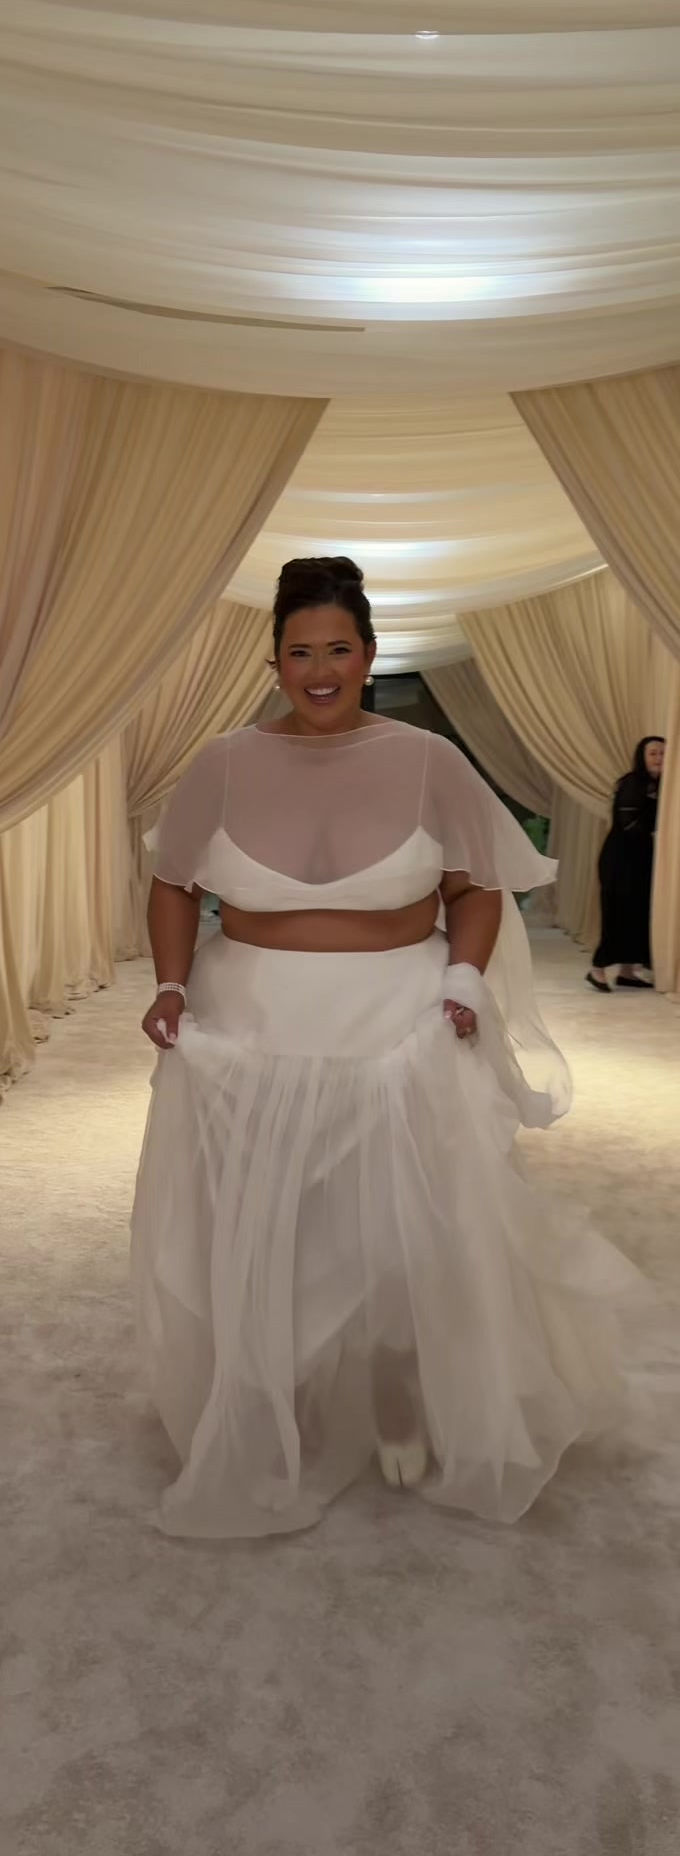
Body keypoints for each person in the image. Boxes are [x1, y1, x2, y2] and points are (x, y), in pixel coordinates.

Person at [130, 555, 648, 1539]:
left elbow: (477, 887)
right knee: (272, 1222)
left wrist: (462, 981)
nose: (319, 670)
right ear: (274, 663)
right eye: (299, 653)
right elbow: (172, 884)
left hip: (399, 1020)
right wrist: (168, 984)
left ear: (368, 656)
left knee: (407, 1226)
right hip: (250, 1025)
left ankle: (404, 1388)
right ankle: (279, 1392)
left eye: (338, 650)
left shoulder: (430, 762)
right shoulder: (222, 763)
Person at [588, 736, 666, 993]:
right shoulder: (633, 782)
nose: (659, 758)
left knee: (638, 912)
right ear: (642, 757)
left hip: (641, 857)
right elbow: (629, 823)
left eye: (663, 753)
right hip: (620, 859)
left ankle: (627, 972)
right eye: (653, 753)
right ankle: (597, 969)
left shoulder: (662, 785)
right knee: (617, 912)